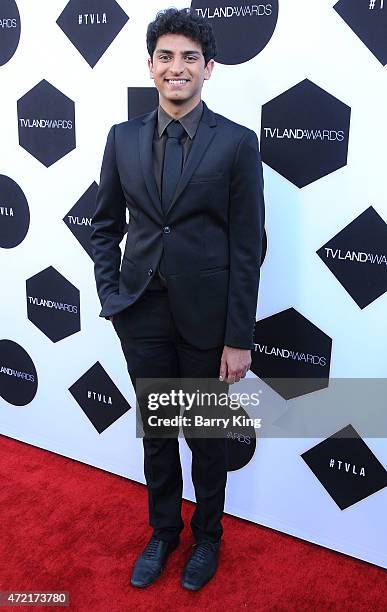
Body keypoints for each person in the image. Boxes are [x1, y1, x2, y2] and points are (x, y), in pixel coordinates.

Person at [90, 7, 265, 591]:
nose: (177, 67)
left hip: (208, 321)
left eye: (190, 57)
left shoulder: (238, 144)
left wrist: (239, 337)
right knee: (158, 433)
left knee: (206, 437)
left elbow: (247, 248)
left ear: (209, 68)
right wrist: (112, 296)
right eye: (166, 56)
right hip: (140, 312)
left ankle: (208, 536)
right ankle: (163, 531)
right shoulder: (123, 138)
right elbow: (103, 225)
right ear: (151, 65)